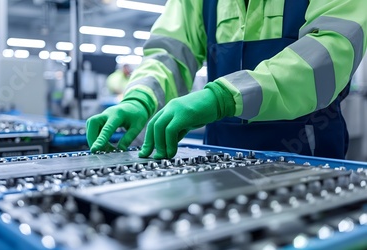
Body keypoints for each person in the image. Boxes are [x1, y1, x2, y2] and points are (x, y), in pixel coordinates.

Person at [87, 0, 367, 160]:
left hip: (307, 154)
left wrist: (224, 97)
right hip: (220, 154)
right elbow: (171, 52)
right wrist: (140, 97)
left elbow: (327, 54)